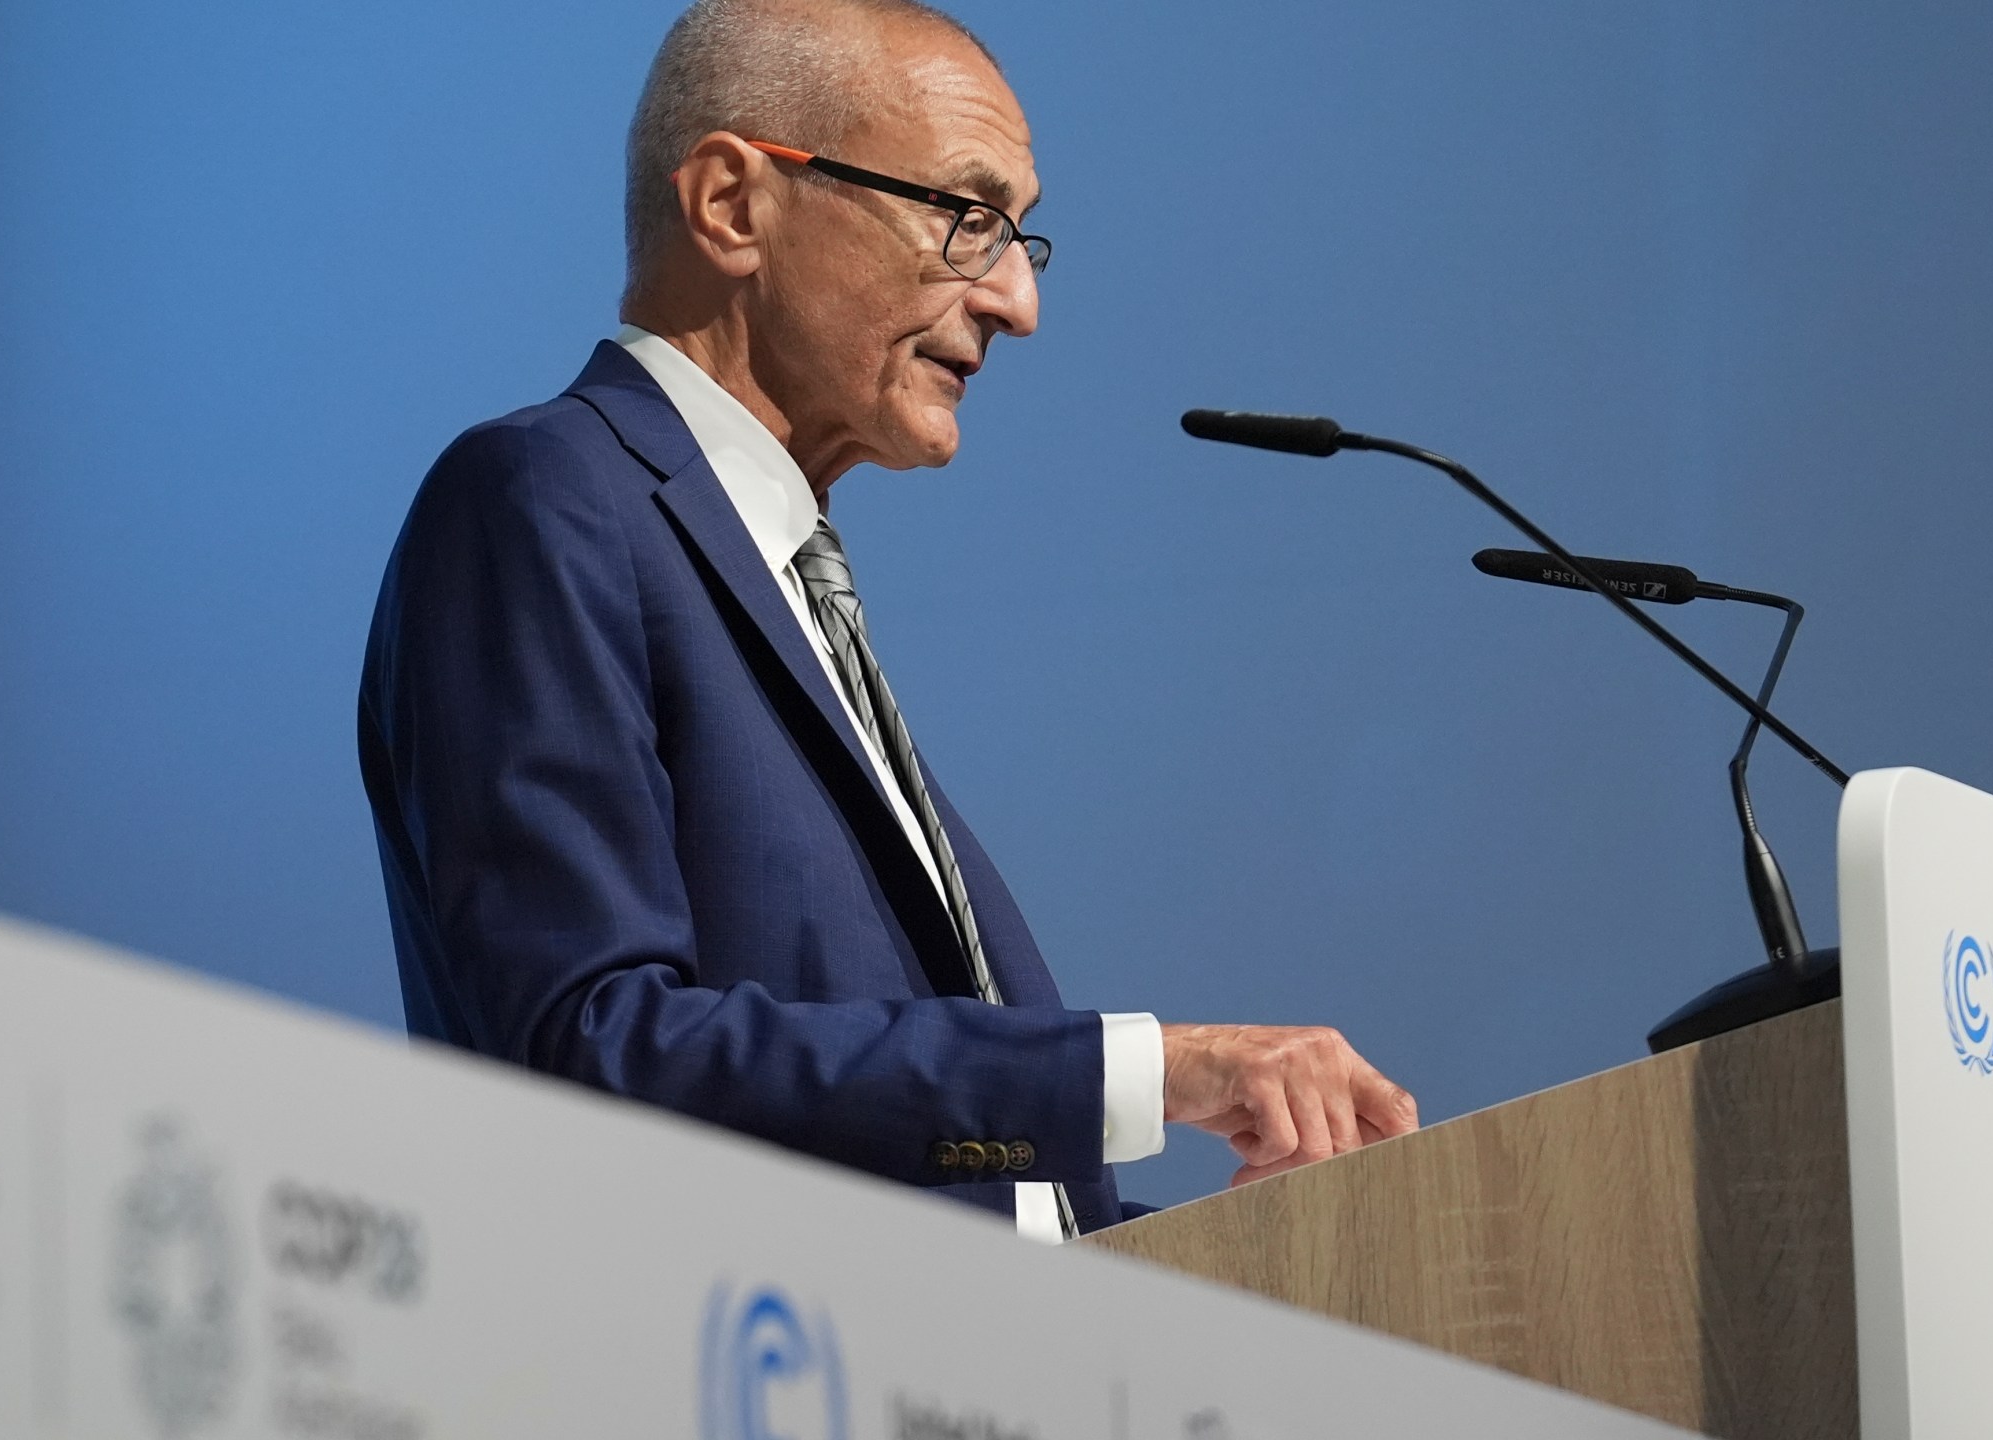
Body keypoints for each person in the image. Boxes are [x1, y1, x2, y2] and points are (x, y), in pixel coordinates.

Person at [357, 0, 1416, 1239]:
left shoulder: (786, 581)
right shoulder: (544, 496)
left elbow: (928, 1188)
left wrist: (1226, 1250)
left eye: (1022, 237)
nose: (1017, 300)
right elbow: (595, 1048)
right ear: (732, 204)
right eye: (966, 216)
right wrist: (1147, 1074)